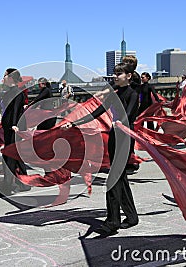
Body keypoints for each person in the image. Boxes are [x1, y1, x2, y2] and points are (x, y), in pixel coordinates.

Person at [63, 62, 139, 235]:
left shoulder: (133, 94)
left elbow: (129, 115)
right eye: (114, 73)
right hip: (114, 137)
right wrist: (74, 123)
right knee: (120, 178)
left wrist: (119, 122)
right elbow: (96, 112)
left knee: (113, 180)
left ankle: (112, 222)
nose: (114, 76)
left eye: (118, 74)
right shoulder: (115, 94)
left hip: (125, 138)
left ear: (128, 76)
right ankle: (132, 216)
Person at [0, 68, 31, 197]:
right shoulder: (7, 93)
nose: (3, 78)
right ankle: (24, 183)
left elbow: (17, 110)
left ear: (11, 78)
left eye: (5, 76)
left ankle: (7, 187)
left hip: (14, 128)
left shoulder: (18, 92)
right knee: (16, 155)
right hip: (9, 126)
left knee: (9, 156)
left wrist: (15, 125)